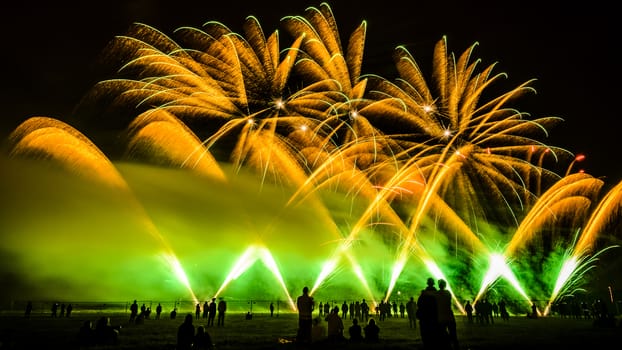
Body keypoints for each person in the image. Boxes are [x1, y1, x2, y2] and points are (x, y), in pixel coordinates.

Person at [436, 279, 459, 350]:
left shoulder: (437, 293)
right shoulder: (448, 293)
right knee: (453, 333)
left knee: (442, 333)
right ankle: (455, 346)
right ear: (445, 285)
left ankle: (447, 345)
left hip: (441, 317)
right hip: (449, 316)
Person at [417, 277, 439, 349]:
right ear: (433, 283)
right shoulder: (437, 293)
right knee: (434, 333)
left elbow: (419, 303)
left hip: (425, 316)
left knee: (425, 333)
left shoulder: (424, 293)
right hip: (434, 316)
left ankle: (427, 345)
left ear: (427, 283)